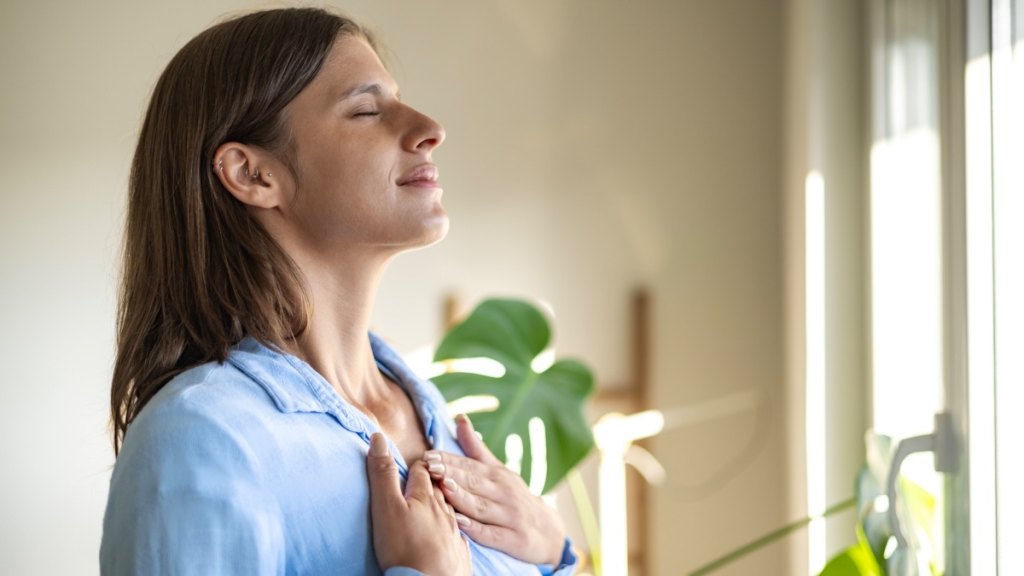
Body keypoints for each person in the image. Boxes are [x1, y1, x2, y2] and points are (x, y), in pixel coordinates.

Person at [100, 7, 577, 575]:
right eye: (367, 110)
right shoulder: (199, 441)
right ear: (254, 175)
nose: (430, 129)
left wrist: (553, 553)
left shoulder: (435, 417)